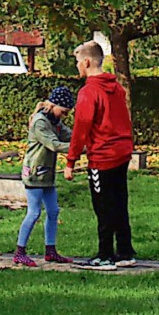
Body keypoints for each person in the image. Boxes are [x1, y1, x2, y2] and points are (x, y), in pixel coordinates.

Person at [64, 41, 135, 270]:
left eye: (77, 62)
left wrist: (70, 161)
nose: (77, 66)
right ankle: (124, 251)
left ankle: (105, 255)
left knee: (103, 205)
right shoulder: (117, 88)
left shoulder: (89, 92)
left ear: (86, 62)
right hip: (122, 152)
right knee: (119, 202)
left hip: (102, 156)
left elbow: (81, 129)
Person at [14, 86, 77, 267]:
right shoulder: (40, 122)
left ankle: (51, 251)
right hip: (34, 173)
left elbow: (70, 136)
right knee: (34, 213)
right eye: (63, 112)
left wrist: (87, 139)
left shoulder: (54, 121)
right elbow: (54, 144)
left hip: (47, 174)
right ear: (54, 105)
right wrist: (82, 149)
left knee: (53, 211)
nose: (64, 116)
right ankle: (20, 252)